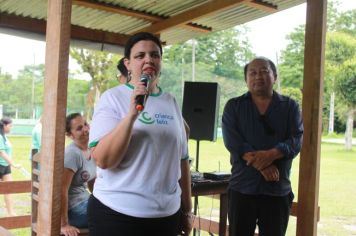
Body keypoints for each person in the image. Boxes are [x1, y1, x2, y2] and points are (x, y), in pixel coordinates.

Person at [88, 32, 192, 236]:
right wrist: (131, 116)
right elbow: (103, 160)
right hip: (116, 214)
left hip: (166, 217)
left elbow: (182, 161)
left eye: (154, 55)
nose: (148, 60)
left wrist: (187, 210)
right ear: (127, 63)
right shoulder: (113, 98)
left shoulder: (170, 101)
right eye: (140, 56)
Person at [222, 57, 303, 236]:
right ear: (246, 79)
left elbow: (296, 140)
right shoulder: (234, 107)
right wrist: (264, 163)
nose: (258, 76)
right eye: (253, 72)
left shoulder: (290, 107)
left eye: (264, 71)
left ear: (274, 76)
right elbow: (233, 142)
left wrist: (273, 153)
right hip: (242, 189)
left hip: (277, 190)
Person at [60, 113, 96, 236]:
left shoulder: (91, 149)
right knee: (112, 217)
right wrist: (64, 224)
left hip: (85, 202)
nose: (85, 129)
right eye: (79, 128)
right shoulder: (72, 154)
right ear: (70, 135)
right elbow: (61, 190)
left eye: (85, 124)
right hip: (73, 210)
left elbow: (92, 182)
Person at [0, 117, 21, 216]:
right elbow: (2, 153)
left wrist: (10, 164)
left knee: (9, 189)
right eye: (10, 125)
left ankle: (11, 213)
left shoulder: (4, 136)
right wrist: (14, 164)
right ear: (4, 125)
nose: (12, 127)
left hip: (5, 166)